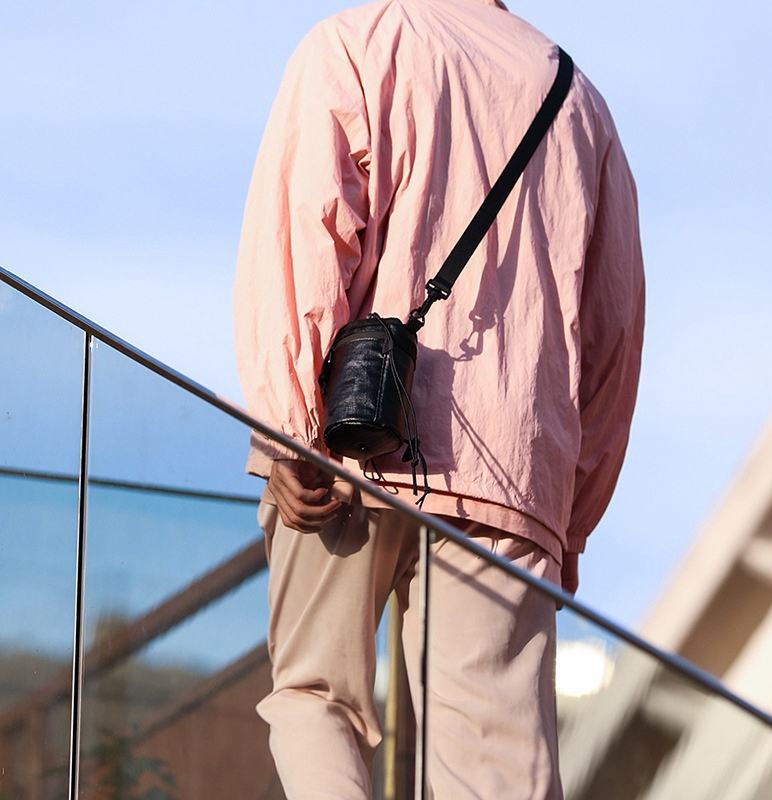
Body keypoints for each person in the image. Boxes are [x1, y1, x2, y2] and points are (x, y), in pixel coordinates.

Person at [232, 0, 645, 797]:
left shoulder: (355, 46)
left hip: (348, 441)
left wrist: (289, 430)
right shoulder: (579, 105)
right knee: (495, 764)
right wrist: (569, 517)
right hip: (512, 474)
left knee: (316, 699)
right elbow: (611, 334)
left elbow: (303, 241)